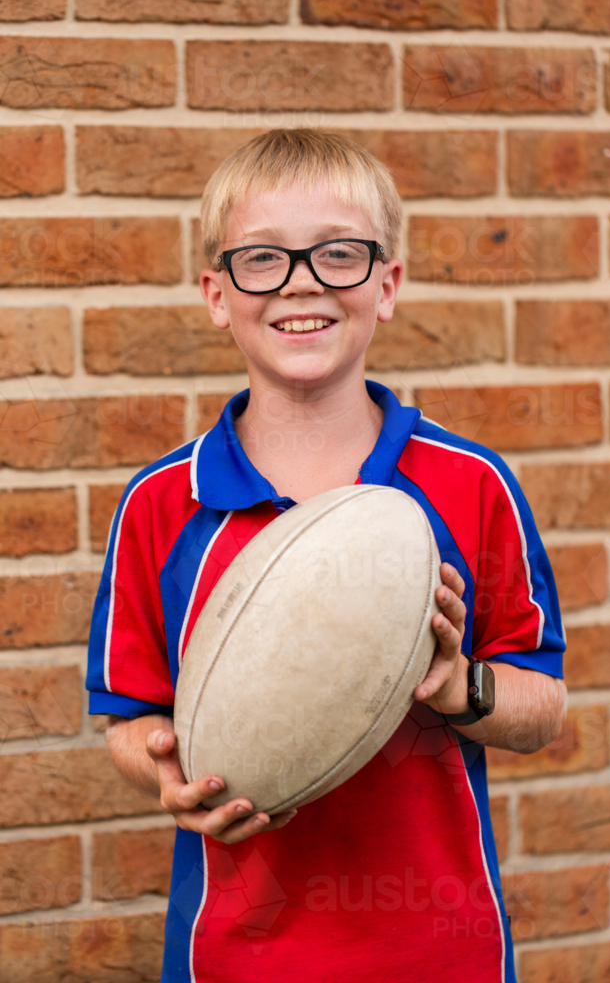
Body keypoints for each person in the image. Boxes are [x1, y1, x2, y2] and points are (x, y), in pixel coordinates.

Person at [86, 128, 567, 983]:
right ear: (214, 293)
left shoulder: (471, 484)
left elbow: (543, 707)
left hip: (439, 953)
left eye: (338, 253)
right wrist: (167, 773)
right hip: (231, 956)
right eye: (261, 258)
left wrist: (462, 688)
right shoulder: (163, 501)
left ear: (386, 286)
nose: (302, 281)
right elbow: (131, 718)